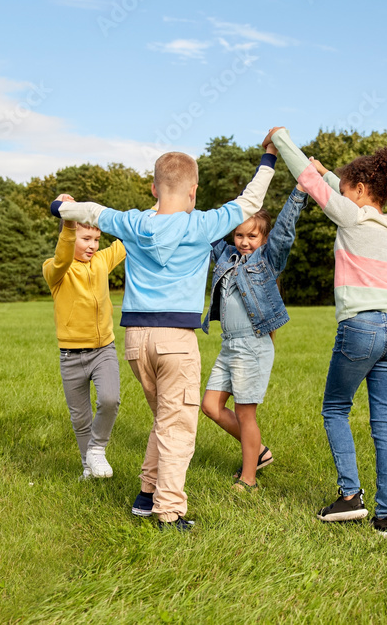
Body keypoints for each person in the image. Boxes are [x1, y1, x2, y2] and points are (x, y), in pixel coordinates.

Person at [49, 145, 277, 531]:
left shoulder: (134, 223)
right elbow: (251, 199)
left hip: (136, 341)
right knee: (177, 427)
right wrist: (268, 158)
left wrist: (60, 207)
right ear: (193, 190)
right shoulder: (201, 223)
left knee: (163, 418)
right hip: (175, 339)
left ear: (155, 188)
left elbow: (88, 210)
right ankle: (169, 512)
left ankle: (145, 495)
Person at [266, 126, 387, 538]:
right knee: (384, 421)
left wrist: (281, 138)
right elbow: (337, 186)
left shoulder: (350, 215)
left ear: (358, 189)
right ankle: (386, 518)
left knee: (335, 408)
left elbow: (308, 179)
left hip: (362, 326)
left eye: (347, 188)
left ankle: (350, 497)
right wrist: (328, 173)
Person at [200, 186, 308, 491]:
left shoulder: (267, 259)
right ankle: (258, 451)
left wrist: (298, 193)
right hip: (228, 345)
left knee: (244, 413)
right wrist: (183, 204)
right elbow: (206, 232)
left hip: (252, 344)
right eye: (239, 235)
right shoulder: (226, 256)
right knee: (210, 406)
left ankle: (249, 479)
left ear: (263, 239)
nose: (245, 241)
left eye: (252, 236)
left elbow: (285, 230)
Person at [42, 214, 126, 479]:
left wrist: (163, 204)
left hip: (103, 351)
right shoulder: (56, 270)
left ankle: (97, 449)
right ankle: (87, 468)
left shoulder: (101, 261)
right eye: (85, 238)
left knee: (110, 400)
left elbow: (130, 237)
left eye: (97, 239)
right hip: (70, 357)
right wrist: (68, 222)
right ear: (68, 238)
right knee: (80, 419)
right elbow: (63, 256)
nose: (92, 245)